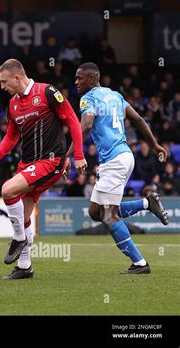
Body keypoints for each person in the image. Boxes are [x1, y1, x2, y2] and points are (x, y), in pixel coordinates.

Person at [0, 59, 86, 280]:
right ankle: (24, 266)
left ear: (17, 77)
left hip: (50, 161)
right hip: (28, 164)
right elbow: (11, 136)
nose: (2, 86)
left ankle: (19, 239)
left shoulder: (48, 92)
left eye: (4, 81)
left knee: (7, 190)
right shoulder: (13, 104)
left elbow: (73, 122)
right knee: (24, 217)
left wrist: (78, 156)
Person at [66, 62, 169, 275]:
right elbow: (138, 119)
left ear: (92, 79)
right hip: (124, 156)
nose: (76, 82)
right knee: (96, 212)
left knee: (108, 215)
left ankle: (139, 263)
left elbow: (85, 125)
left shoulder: (89, 98)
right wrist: (154, 144)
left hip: (114, 160)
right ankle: (146, 202)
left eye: (79, 78)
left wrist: (70, 155)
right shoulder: (115, 96)